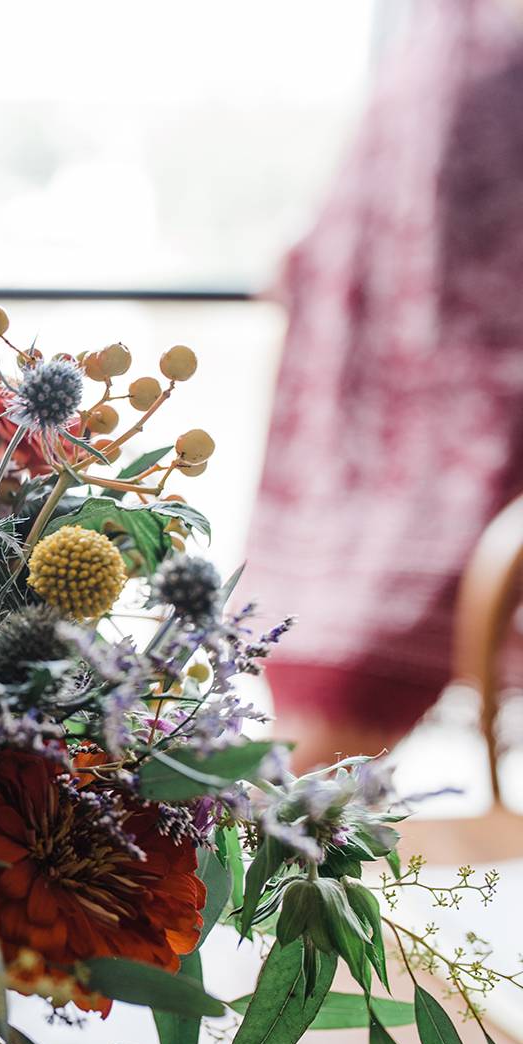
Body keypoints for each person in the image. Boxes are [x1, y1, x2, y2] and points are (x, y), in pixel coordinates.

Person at [245, 0, 523, 769]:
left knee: (335, 721)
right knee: (325, 718)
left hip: (465, 419)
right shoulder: (443, 43)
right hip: (401, 410)